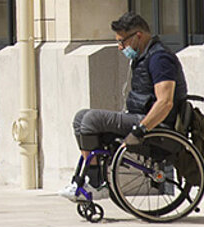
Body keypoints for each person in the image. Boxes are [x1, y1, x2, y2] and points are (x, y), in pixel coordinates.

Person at [60, 11, 189, 200]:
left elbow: (165, 102)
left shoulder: (160, 59)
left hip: (154, 124)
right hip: (138, 115)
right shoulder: (143, 57)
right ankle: (86, 179)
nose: (120, 48)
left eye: (122, 42)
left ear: (138, 36)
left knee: (90, 120)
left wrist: (141, 129)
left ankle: (97, 183)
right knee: (80, 117)